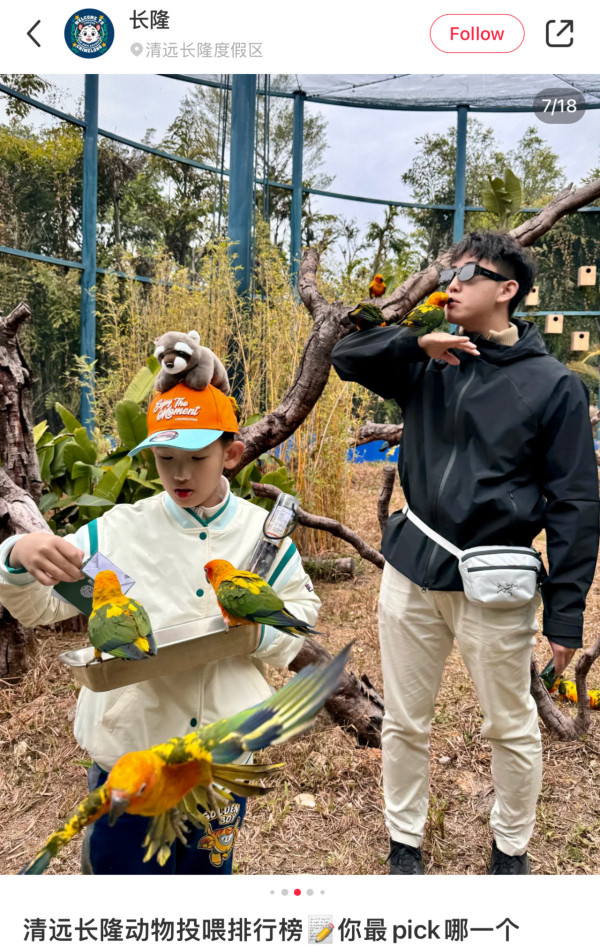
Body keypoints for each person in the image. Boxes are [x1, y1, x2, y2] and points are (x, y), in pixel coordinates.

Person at [331, 231, 599, 875]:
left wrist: (565, 613)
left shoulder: (554, 386)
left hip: (497, 583)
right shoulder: (428, 359)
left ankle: (510, 850)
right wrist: (414, 342)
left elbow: (575, 505)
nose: (449, 283)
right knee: (405, 719)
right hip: (412, 573)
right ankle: (405, 841)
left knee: (510, 725)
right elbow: (345, 353)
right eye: (447, 272)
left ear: (507, 290)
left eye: (468, 273)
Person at [0, 381, 320, 874]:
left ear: (231, 454)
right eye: (165, 459)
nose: (179, 473)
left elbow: (300, 616)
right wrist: (16, 559)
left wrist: (257, 634)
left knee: (203, 881)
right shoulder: (119, 528)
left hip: (218, 758)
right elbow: (43, 607)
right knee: (120, 887)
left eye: (196, 458)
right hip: (132, 752)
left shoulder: (266, 536)